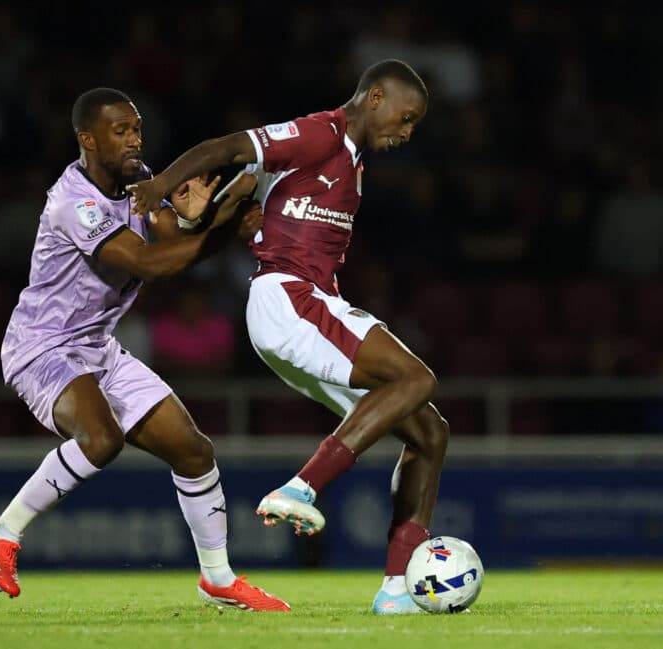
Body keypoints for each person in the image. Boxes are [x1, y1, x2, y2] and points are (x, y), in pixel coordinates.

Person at [129, 60, 449, 615]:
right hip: (290, 298)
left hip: (301, 307)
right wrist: (161, 187)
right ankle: (302, 486)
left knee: (429, 433)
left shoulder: (350, 160)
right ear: (375, 97)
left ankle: (396, 590)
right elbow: (229, 147)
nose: (408, 130)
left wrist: (223, 216)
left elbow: (251, 189)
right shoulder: (321, 132)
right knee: (417, 378)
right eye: (406, 116)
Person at [0, 87, 290, 612]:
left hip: (97, 348)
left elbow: (169, 232)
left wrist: (201, 216)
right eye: (121, 132)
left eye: (137, 128)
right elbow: (151, 264)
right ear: (87, 139)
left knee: (193, 450)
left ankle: (218, 580)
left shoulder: (138, 184)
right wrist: (228, 228)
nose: (135, 140)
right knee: (101, 439)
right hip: (43, 347)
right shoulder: (75, 201)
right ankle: (1, 533)